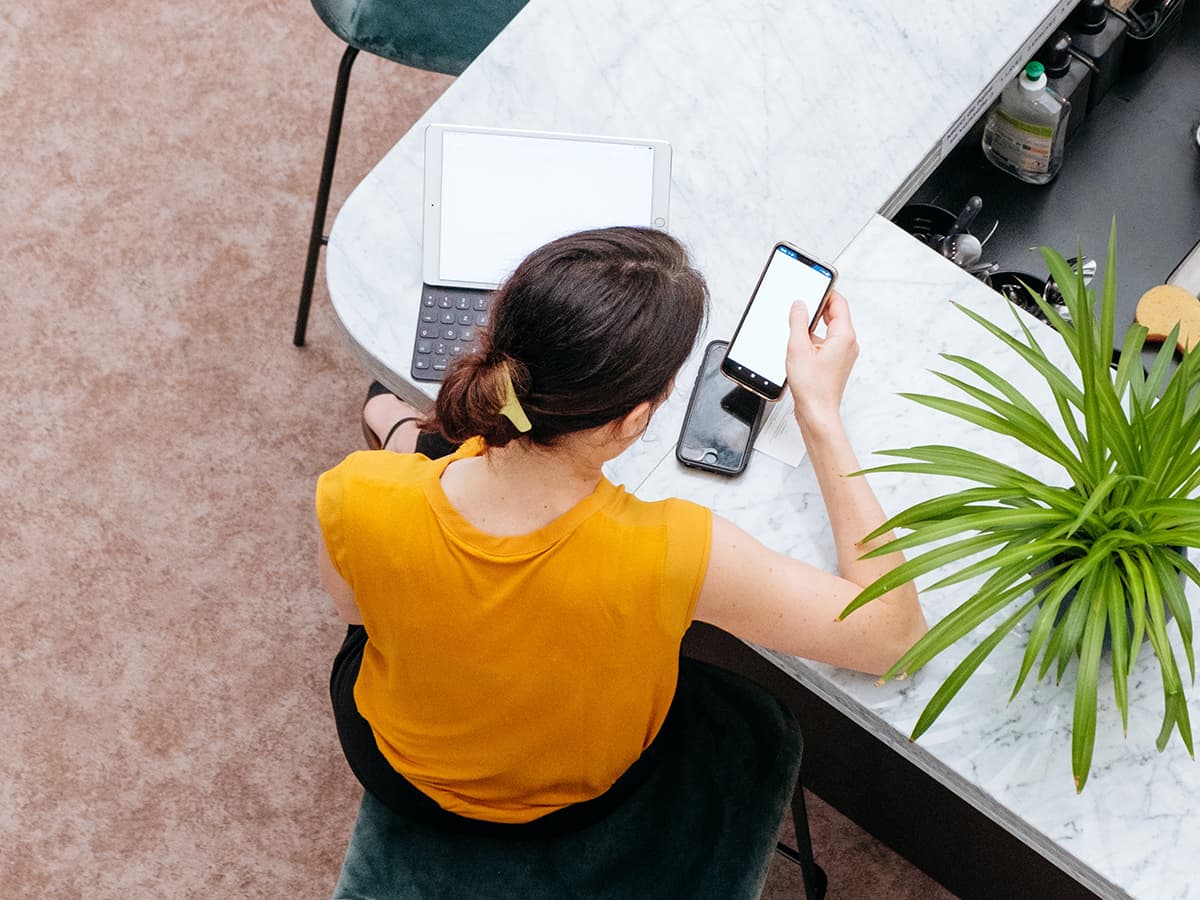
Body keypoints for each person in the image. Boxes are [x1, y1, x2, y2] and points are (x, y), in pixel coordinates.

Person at [316, 226, 925, 835]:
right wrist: (820, 413)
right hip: (579, 798)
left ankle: (394, 425)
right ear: (634, 419)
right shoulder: (674, 551)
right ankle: (404, 428)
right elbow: (895, 641)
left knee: (425, 455)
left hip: (394, 768)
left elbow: (359, 616)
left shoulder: (354, 492)